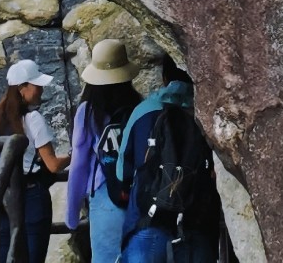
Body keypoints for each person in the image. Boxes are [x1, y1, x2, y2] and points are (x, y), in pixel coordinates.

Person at [115, 62, 221, 263]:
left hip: (148, 221)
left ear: (164, 78)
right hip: (197, 221)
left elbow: (122, 173)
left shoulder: (143, 111)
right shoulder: (207, 111)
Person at [0, 58, 69, 263]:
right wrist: (74, 155)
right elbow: (53, 165)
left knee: (4, 256)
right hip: (31, 197)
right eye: (36, 85)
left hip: (2, 199)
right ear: (23, 88)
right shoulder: (33, 119)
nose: (41, 90)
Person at [65, 40, 139, 263]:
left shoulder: (88, 112)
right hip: (138, 192)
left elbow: (79, 163)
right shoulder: (138, 105)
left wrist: (72, 214)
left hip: (105, 193)